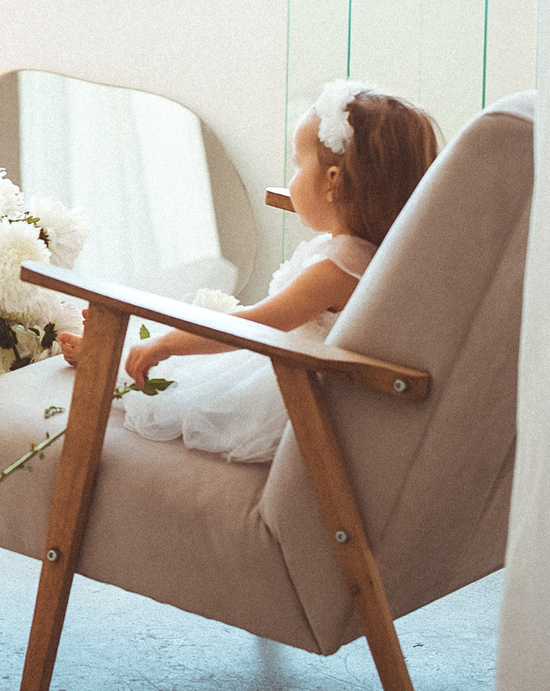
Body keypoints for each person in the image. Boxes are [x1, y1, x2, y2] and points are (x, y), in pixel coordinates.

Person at [61, 81, 442, 463]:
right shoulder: (366, 254)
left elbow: (251, 327)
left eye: (297, 163)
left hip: (293, 390)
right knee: (194, 330)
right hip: (287, 359)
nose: (290, 179)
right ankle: (116, 350)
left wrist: (166, 345)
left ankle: (114, 357)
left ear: (333, 181)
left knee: (185, 369)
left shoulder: (336, 269)